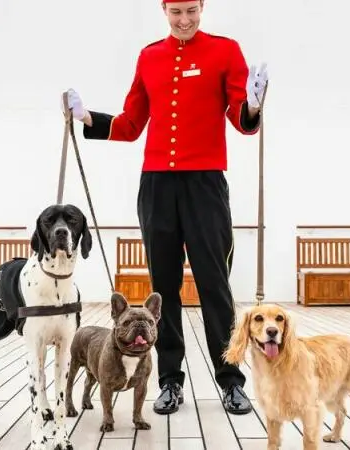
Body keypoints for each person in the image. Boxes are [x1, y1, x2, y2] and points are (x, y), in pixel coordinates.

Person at [63, 0, 268, 416]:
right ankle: (169, 381)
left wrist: (253, 105)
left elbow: (240, 118)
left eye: (192, 10)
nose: (185, 20)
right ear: (164, 9)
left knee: (215, 286)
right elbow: (131, 123)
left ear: (202, 7)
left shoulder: (225, 50)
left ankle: (230, 381)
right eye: (176, 12)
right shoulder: (149, 56)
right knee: (164, 289)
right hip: (156, 185)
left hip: (205, 183)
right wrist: (86, 118)